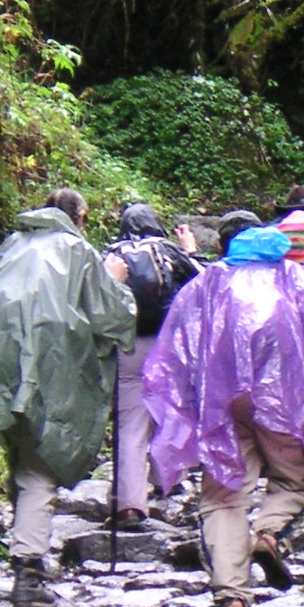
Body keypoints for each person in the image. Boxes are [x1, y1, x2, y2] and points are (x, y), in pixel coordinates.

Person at [143, 225, 304, 607]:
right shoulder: (295, 281)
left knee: (224, 495)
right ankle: (270, 535)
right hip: (282, 402)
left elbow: (178, 348)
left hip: (222, 406)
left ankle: (231, 594)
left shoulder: (206, 284)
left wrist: (188, 409)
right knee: (293, 481)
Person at [0, 188, 136, 607]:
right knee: (38, 469)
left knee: (21, 455)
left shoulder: (11, 245)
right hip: (49, 372)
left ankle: (23, 547)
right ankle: (28, 571)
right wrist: (117, 284)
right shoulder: (77, 250)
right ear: (80, 216)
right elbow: (112, 319)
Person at [105, 204, 202, 523]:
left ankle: (130, 505)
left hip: (127, 346)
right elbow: (202, 286)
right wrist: (192, 252)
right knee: (169, 412)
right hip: (168, 345)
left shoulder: (110, 255)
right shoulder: (170, 252)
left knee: (130, 425)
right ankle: (167, 480)